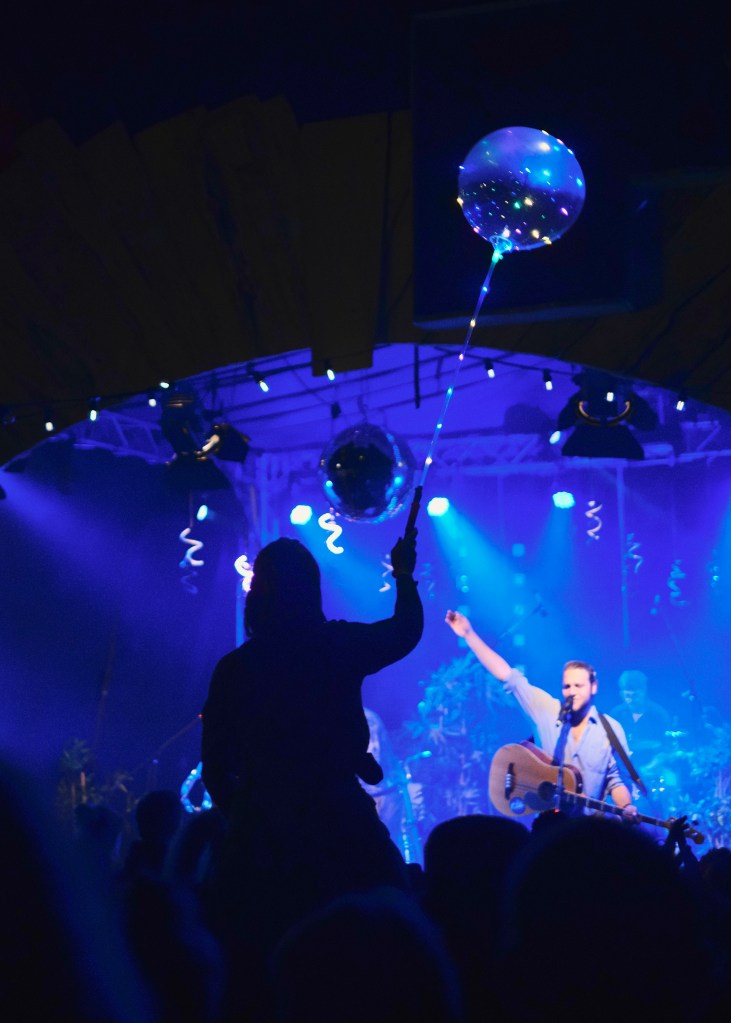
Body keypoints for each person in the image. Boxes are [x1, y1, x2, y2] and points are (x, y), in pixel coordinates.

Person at [200, 528, 423, 1017]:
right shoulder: (335, 644)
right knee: (393, 930)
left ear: (258, 593)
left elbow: (215, 765)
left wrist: (245, 818)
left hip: (261, 827)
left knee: (250, 966)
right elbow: (404, 632)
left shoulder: (236, 669)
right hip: (339, 816)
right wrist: (404, 576)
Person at [444, 609, 639, 822]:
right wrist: (469, 634)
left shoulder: (611, 729)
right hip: (549, 826)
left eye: (578, 685)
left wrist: (626, 806)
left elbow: (615, 779)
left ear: (594, 687)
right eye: (567, 686)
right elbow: (509, 677)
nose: (572, 691)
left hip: (590, 828)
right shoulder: (547, 710)